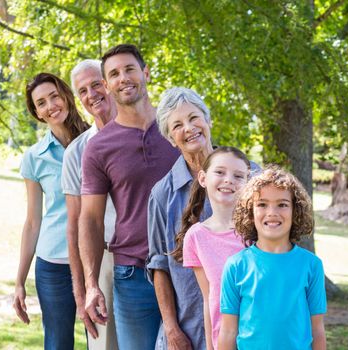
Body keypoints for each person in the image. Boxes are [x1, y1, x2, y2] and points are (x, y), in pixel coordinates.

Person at [79, 44, 180, 350]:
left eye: (129, 69)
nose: (123, 78)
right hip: (133, 275)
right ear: (107, 85)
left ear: (145, 73)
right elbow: (91, 219)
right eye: (114, 74)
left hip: (187, 269)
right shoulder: (99, 148)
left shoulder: (179, 128)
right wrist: (91, 284)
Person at [146, 87, 259, 349]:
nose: (189, 128)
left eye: (194, 118)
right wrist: (172, 330)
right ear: (171, 139)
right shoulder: (163, 194)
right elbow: (158, 265)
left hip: (250, 326)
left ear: (208, 121)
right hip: (190, 329)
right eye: (177, 125)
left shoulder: (250, 175)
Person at [13, 72, 90, 350]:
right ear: (37, 112)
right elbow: (33, 221)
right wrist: (19, 281)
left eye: (54, 96)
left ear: (66, 96)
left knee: (105, 342)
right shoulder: (34, 157)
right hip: (54, 265)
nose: (51, 105)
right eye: (41, 102)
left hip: (98, 258)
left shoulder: (98, 140)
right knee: (58, 344)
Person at [218, 166, 327, 350]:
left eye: (282, 204)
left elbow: (317, 329)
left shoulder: (311, 265)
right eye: (262, 204)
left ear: (295, 211)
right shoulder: (236, 265)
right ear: (250, 212)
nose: (272, 212)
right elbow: (228, 331)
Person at [61, 59, 118, 349]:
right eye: (83, 90)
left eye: (97, 84)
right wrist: (82, 290)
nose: (91, 94)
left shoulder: (153, 133)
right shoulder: (76, 152)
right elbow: (74, 226)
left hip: (151, 259)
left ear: (110, 83)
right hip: (102, 260)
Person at [176, 147, 250, 349]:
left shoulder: (256, 232)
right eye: (220, 172)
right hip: (223, 340)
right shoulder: (196, 237)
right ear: (202, 178)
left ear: (248, 184)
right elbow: (209, 298)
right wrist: (210, 345)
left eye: (238, 176)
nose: (229, 180)